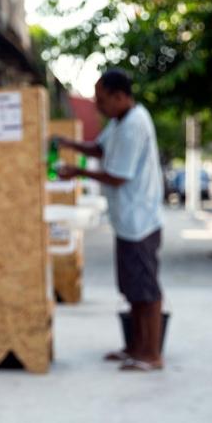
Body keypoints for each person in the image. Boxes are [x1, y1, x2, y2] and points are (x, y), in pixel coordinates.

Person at [55, 69, 164, 371]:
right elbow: (100, 148)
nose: (98, 106)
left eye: (102, 100)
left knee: (146, 290)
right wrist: (71, 144)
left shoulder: (134, 125)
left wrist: (77, 172)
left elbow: (117, 176)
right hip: (127, 221)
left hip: (141, 220)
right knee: (132, 289)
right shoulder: (118, 123)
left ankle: (151, 353)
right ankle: (135, 347)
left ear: (120, 96)